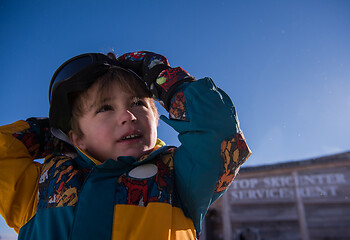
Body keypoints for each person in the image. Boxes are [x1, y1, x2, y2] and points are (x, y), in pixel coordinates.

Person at [0, 51, 251, 240]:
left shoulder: (178, 176)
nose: (128, 116)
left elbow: (222, 136)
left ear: (156, 119)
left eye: (138, 104)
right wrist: (52, 133)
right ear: (76, 137)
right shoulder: (41, 187)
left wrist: (167, 80)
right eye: (105, 108)